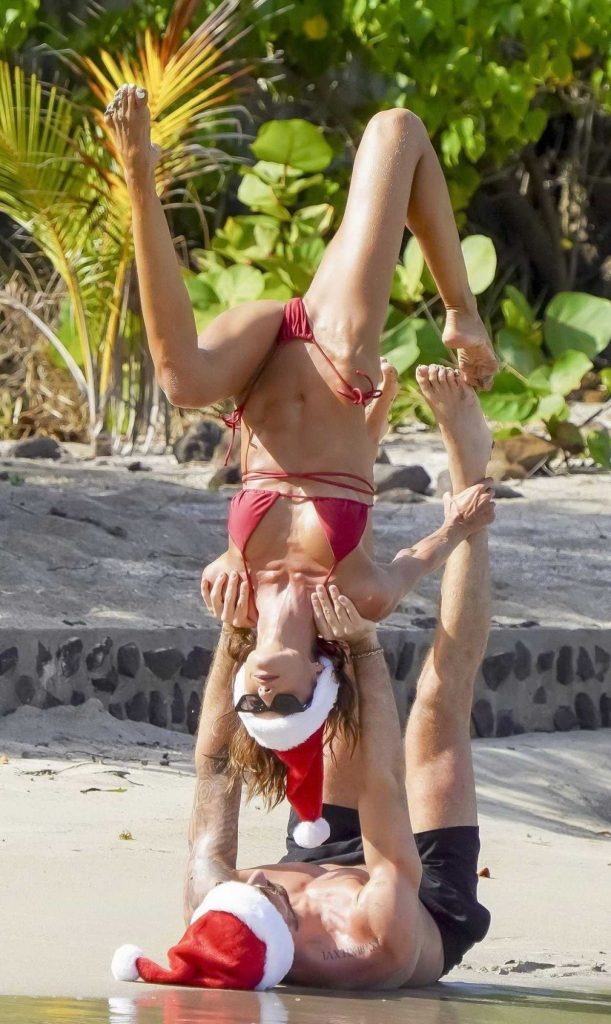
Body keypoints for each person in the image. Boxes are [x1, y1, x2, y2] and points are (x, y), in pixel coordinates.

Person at [104, 84, 499, 714]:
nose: (261, 697)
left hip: (258, 364)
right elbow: (416, 559)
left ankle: (139, 177)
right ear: (318, 683)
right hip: (335, 355)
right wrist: (460, 520)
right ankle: (461, 312)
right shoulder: (360, 599)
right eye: (284, 707)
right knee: (397, 130)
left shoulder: (227, 590)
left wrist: (233, 554)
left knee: (183, 383)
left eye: (251, 709)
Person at [112, 369, 494, 989]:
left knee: (330, 643)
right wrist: (364, 648)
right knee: (437, 708)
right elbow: (384, 787)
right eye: (263, 899)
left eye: (245, 891)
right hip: (417, 892)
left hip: (318, 854)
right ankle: (471, 485)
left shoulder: (216, 905)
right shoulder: (368, 943)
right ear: (278, 937)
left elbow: (213, 766)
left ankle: (357, 463)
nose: (256, 880)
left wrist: (235, 635)